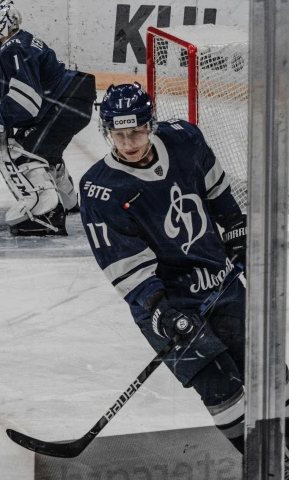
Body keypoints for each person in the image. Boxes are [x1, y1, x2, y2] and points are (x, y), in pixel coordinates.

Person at [80, 82, 250, 460]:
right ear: (106, 132)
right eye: (119, 135)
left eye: (136, 132)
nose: (129, 142)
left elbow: (217, 188)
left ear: (150, 125)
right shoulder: (99, 189)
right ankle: (267, 459)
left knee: (265, 371)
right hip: (166, 302)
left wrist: (235, 228)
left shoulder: (185, 139)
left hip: (217, 278)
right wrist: (159, 309)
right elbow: (123, 264)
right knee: (219, 385)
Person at [0, 0, 97, 236]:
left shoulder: (14, 48)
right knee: (44, 151)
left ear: (2, 24)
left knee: (20, 152)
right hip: (73, 97)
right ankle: (68, 201)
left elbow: (26, 101)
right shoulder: (6, 48)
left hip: (67, 102)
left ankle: (47, 215)